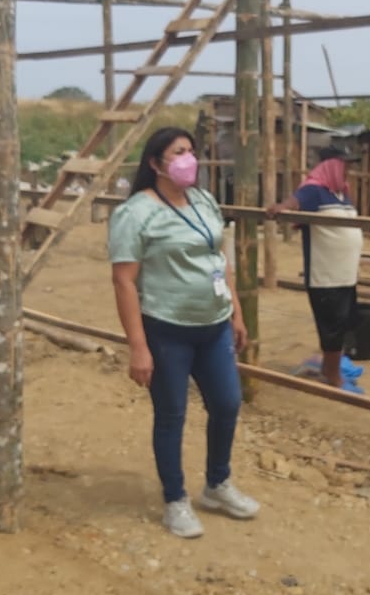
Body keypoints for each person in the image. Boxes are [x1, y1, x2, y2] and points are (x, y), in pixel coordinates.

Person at [108, 127, 259, 538]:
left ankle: (217, 484)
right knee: (172, 414)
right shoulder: (136, 213)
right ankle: (175, 499)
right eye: (178, 152)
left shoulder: (203, 199)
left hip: (214, 326)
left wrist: (236, 312)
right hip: (167, 330)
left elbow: (220, 258)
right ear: (155, 163)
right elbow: (124, 281)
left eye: (191, 150)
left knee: (227, 404)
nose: (188, 158)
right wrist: (138, 347)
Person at [266, 146, 365, 389]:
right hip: (326, 275)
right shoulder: (314, 191)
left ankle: (328, 369)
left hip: (346, 274)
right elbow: (295, 201)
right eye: (345, 166)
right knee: (331, 326)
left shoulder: (342, 195)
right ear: (332, 167)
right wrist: (282, 207)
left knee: (342, 323)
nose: (348, 171)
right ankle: (332, 377)